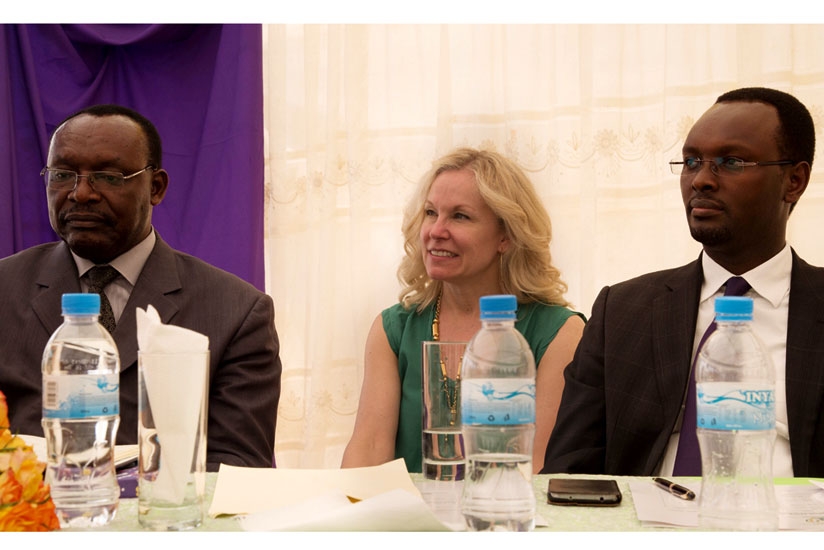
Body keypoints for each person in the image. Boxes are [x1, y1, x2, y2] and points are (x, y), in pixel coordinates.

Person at [542, 87, 824, 477]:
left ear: (794, 180)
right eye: (692, 161)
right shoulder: (623, 311)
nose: (701, 180)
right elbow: (568, 470)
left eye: (731, 161)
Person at [0, 104, 281, 471]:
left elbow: (237, 468)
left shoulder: (237, 312)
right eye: (63, 174)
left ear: (156, 188)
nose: (80, 193)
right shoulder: (5, 290)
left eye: (108, 177)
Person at [341, 147, 585, 474]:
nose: (436, 231)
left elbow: (540, 470)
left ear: (506, 236)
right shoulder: (393, 329)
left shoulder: (560, 333)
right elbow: (368, 449)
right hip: (408, 523)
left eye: (460, 216)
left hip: (503, 520)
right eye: (430, 212)